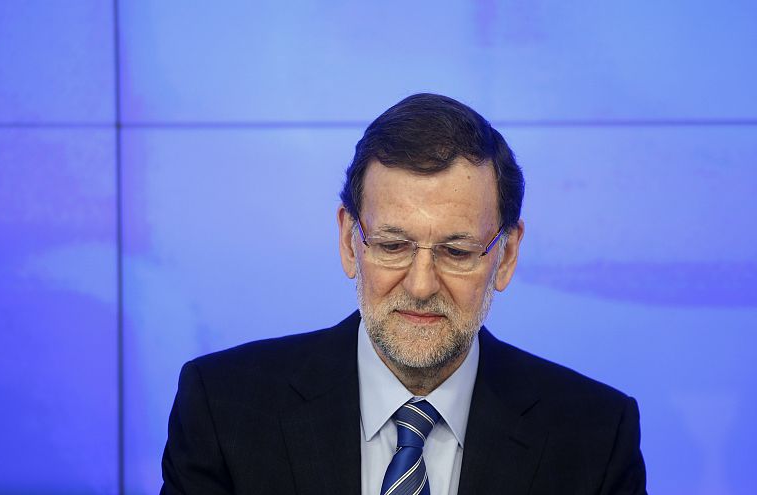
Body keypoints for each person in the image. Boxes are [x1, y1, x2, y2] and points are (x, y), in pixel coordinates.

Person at [160, 93, 647, 495]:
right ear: (350, 241)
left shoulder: (595, 436)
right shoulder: (223, 411)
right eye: (393, 246)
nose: (420, 285)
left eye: (456, 251)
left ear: (507, 255)